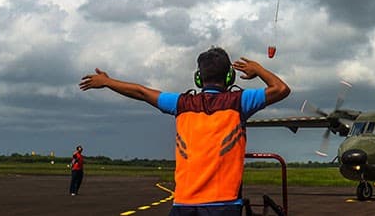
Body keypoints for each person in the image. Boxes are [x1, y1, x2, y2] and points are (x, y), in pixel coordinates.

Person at [79, 46, 290, 216]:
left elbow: (141, 92)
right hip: (224, 203)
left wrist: (107, 82)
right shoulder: (239, 102)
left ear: (198, 78)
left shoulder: (180, 103)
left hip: (184, 203)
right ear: (229, 78)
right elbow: (281, 89)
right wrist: (259, 69)